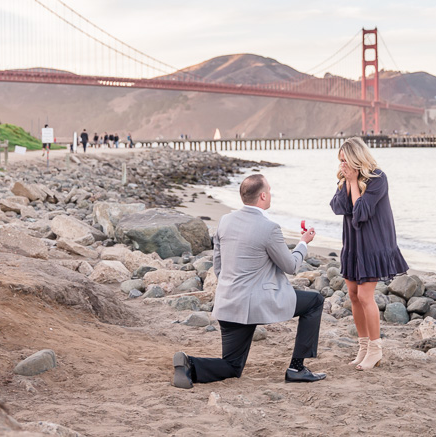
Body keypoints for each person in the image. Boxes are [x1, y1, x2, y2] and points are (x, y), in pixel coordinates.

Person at [173, 174, 326, 388]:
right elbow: (291, 266)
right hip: (254, 304)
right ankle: (297, 368)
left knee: (233, 366)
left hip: (227, 302)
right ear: (263, 196)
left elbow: (218, 266)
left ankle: (189, 363)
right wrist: (303, 243)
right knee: (315, 302)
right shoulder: (269, 227)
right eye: (269, 191)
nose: (271, 194)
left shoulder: (225, 221)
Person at [330, 137, 409, 371]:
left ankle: (375, 349)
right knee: (353, 295)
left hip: (373, 244)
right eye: (340, 161)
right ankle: (363, 346)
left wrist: (354, 182)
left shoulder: (378, 178)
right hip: (353, 244)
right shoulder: (347, 179)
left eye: (345, 160)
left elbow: (361, 212)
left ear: (356, 158)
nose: (342, 165)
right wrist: (347, 181)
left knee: (365, 297)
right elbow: (338, 207)